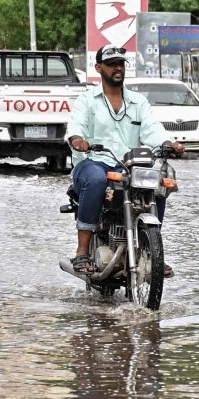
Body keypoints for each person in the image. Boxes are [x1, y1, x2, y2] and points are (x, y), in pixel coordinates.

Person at [65, 45, 183, 278]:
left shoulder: (138, 102)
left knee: (158, 183)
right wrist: (78, 139)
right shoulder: (87, 101)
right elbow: (75, 126)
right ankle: (81, 252)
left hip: (129, 165)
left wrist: (168, 143)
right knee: (97, 179)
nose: (117, 68)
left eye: (121, 64)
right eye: (111, 64)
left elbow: (153, 130)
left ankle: (152, 250)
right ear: (99, 68)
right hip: (93, 161)